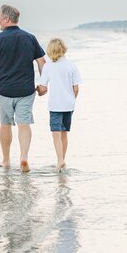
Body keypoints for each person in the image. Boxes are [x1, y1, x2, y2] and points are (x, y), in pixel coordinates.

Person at [0, 4, 46, 172]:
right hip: (26, 90)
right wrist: (44, 84)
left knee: (5, 123)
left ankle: (5, 160)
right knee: (24, 124)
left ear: (7, 19)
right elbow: (42, 63)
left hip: (4, 91)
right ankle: (24, 156)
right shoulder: (30, 38)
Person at [36, 38, 82, 171]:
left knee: (55, 133)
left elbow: (43, 88)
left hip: (55, 105)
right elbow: (76, 88)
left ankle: (60, 160)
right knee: (64, 133)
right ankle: (62, 160)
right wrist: (72, 101)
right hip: (69, 105)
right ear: (63, 48)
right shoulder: (71, 65)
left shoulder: (48, 66)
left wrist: (37, 90)